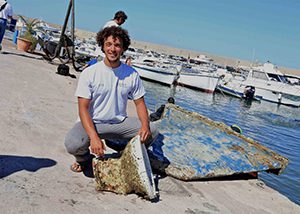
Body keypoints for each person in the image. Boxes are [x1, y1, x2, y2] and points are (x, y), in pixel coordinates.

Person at [64, 26, 158, 173]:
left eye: (117, 45)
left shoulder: (132, 74)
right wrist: (94, 137)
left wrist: (145, 126)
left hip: (118, 123)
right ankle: (84, 160)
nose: (112, 49)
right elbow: (82, 108)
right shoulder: (90, 73)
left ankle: (125, 155)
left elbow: (140, 104)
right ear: (102, 46)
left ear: (123, 48)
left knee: (152, 130)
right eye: (108, 44)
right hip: (93, 122)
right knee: (72, 144)